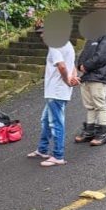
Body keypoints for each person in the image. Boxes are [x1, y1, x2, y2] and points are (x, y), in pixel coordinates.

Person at [27, 33, 78, 167]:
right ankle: (42, 149)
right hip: (60, 91)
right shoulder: (67, 44)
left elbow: (61, 66)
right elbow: (72, 65)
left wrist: (67, 80)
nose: (42, 36)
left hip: (56, 91)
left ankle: (58, 155)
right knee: (46, 120)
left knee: (56, 123)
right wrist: (72, 78)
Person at [74, 31, 106, 146]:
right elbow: (83, 54)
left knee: (99, 105)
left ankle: (102, 134)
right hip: (87, 76)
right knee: (89, 106)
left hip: (99, 76)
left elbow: (102, 56)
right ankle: (89, 131)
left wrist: (85, 66)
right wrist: (80, 65)